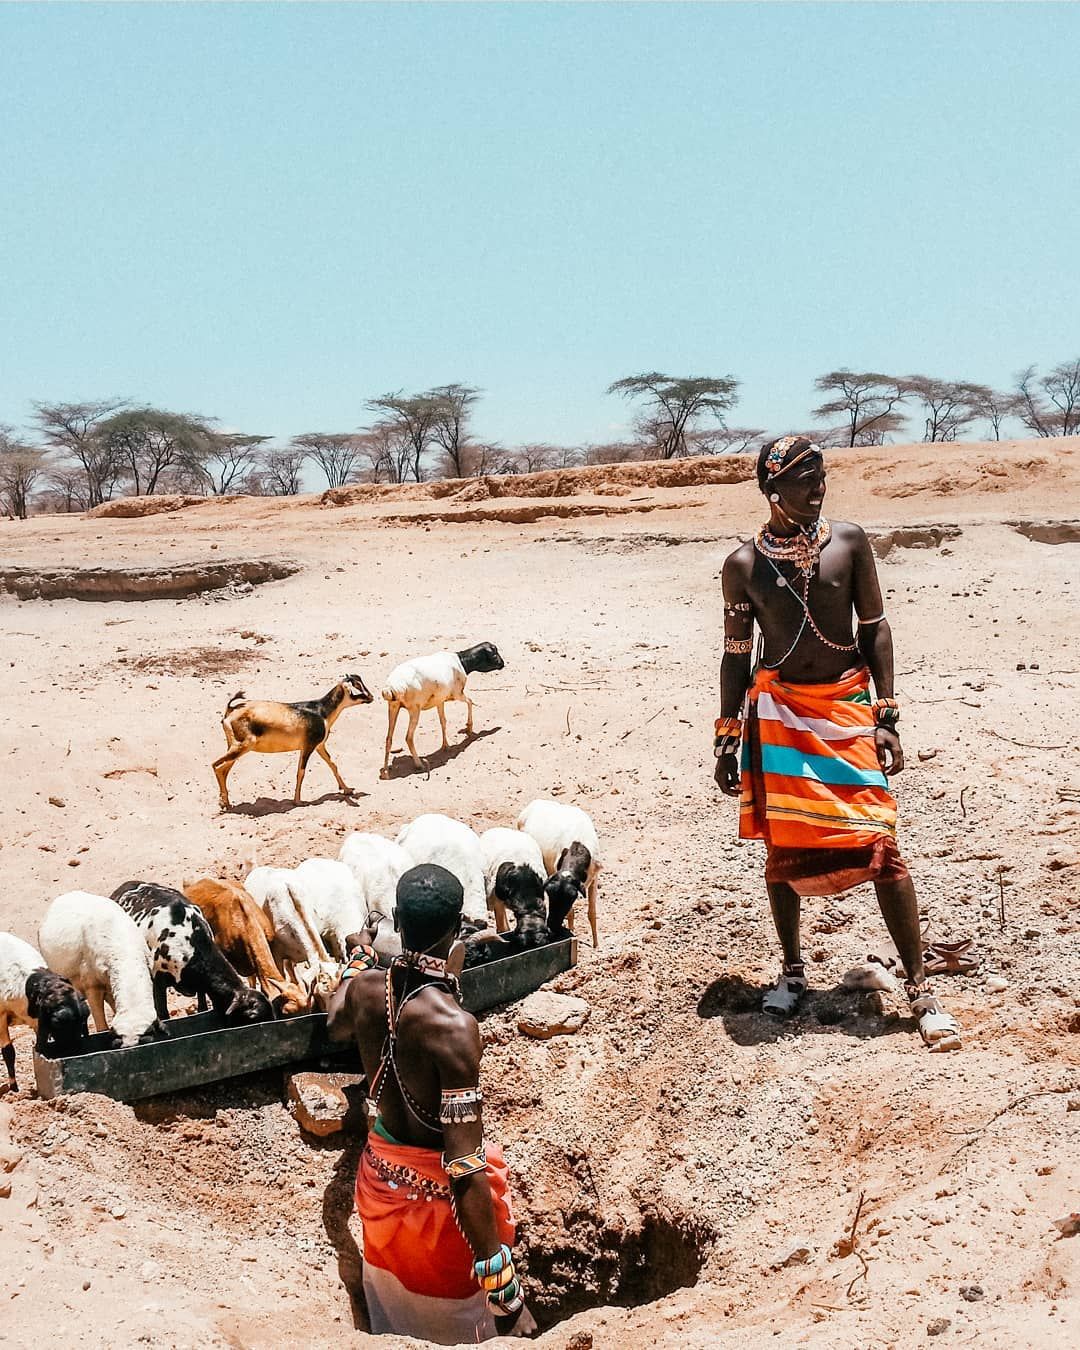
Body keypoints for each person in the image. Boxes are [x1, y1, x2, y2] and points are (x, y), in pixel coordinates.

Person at [713, 435, 960, 1051]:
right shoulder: (744, 566)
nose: (818, 488)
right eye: (804, 479)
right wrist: (726, 736)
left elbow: (874, 627)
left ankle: (919, 989)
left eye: (821, 477)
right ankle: (793, 972)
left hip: (846, 709)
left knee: (881, 845)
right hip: (778, 715)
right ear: (771, 489)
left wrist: (886, 714)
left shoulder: (848, 542)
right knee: (783, 844)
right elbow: (736, 655)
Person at [326, 864, 536, 1342]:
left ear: (397, 920)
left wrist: (359, 957)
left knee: (397, 1324)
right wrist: (506, 1297)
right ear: (458, 926)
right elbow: (463, 1168)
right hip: (440, 1226)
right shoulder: (454, 1029)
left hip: (382, 1194)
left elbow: (334, 1022)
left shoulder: (365, 989)